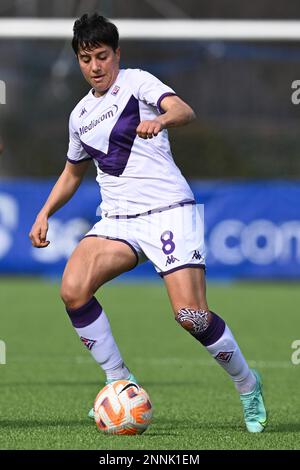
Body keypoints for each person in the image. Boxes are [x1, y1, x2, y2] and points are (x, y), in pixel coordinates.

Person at [29, 13, 267, 433]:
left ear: (117, 54)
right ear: (78, 61)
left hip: (167, 210)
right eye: (86, 59)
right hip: (118, 218)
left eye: (102, 56)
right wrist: (45, 212)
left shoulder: (138, 82)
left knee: (191, 316)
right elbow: (72, 173)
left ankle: (248, 384)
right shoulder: (80, 115)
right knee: (72, 289)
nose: (95, 66)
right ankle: (119, 380)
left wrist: (161, 119)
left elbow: (184, 109)